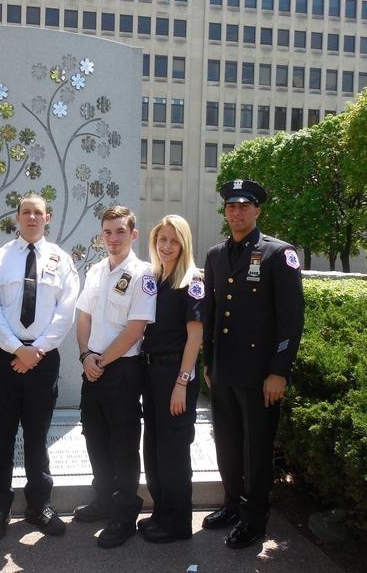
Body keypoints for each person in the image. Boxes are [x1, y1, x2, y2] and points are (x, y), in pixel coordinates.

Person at [201, 179, 305, 549]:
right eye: (231, 206)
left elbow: (291, 319)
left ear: (258, 210)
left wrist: (279, 371)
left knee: (256, 450)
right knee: (227, 445)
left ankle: (255, 519)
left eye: (244, 206)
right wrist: (208, 364)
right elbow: (211, 314)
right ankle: (232, 505)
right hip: (225, 370)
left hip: (261, 374)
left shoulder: (279, 254)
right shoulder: (215, 255)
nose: (237, 212)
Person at [0, 192, 79, 541]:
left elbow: (66, 311)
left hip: (43, 359)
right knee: (2, 436)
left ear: (47, 218)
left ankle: (39, 506)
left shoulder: (62, 260)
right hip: (4, 358)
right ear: (17, 217)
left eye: (39, 212)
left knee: (38, 438)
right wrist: (15, 349)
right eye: (26, 212)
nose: (33, 218)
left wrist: (35, 350)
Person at [73, 205, 157, 549]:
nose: (113, 238)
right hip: (92, 367)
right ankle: (103, 499)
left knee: (123, 444)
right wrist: (85, 357)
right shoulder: (95, 271)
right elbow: (83, 317)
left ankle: (125, 513)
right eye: (107, 232)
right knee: (95, 437)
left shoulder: (144, 274)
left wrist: (100, 361)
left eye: (120, 231)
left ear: (133, 234)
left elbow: (135, 329)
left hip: (122, 369)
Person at [138, 215, 204, 544]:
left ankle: (178, 524)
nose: (166, 246)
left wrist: (181, 383)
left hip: (176, 375)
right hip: (152, 373)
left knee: (174, 450)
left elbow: (195, 339)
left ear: (184, 244)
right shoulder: (156, 278)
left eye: (173, 241)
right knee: (154, 446)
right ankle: (162, 512)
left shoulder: (192, 281)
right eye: (162, 240)